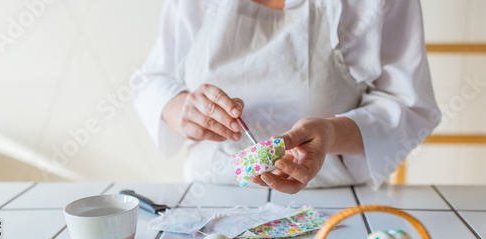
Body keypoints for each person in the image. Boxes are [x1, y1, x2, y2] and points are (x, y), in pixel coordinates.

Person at [132, 0, 441, 194]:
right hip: (210, 200)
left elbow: (408, 105)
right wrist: (182, 109)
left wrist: (331, 134)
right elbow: (152, 80)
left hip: (334, 200)